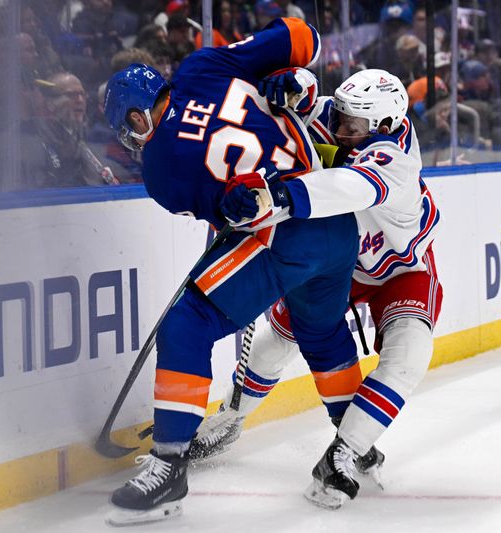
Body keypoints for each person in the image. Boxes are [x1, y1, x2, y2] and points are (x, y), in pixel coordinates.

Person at [102, 18, 362, 525]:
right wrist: (284, 77)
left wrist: (233, 204)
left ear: (136, 119)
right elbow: (302, 35)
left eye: (128, 130)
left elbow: (237, 215)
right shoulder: (203, 65)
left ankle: (169, 463)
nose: (133, 141)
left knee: (188, 323)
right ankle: (356, 443)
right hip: (338, 221)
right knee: (321, 331)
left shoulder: (158, 171)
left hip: (288, 232)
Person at [191, 68, 443, 510]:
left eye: (352, 126)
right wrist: (295, 84)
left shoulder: (396, 162)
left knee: (411, 354)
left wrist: (279, 198)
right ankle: (231, 418)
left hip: (398, 268)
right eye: (343, 119)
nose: (341, 129)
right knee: (276, 341)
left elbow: (348, 186)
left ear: (384, 126)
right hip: (337, 260)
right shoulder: (353, 121)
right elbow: (309, 104)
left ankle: (341, 455)